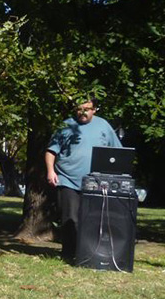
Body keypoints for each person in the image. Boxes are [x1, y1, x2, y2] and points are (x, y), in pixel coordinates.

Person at [46, 96, 122, 263]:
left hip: (96, 182)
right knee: (70, 217)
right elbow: (51, 151)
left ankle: (88, 253)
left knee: (92, 219)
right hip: (68, 179)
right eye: (80, 109)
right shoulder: (66, 126)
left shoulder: (103, 126)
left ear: (94, 110)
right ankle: (68, 253)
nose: (83, 113)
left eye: (87, 109)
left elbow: (117, 152)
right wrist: (50, 171)